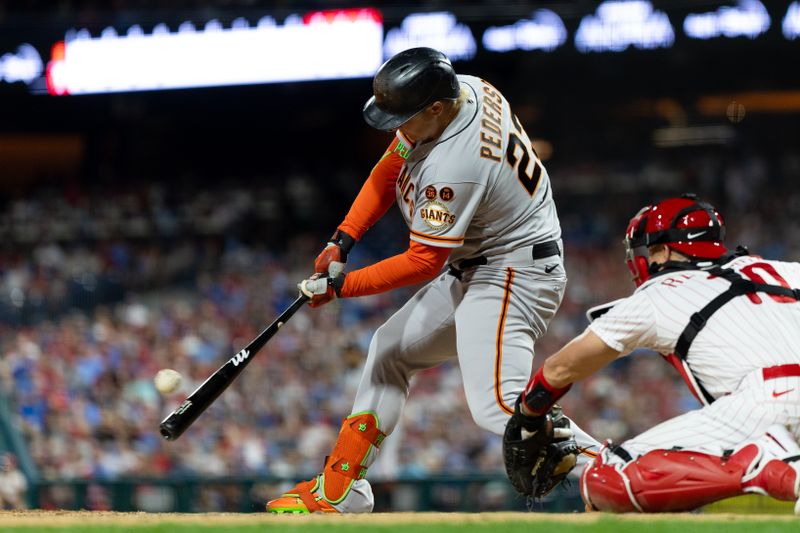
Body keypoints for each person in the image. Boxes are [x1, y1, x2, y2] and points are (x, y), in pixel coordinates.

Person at [266, 47, 599, 514]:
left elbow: (423, 261)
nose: (395, 127)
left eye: (404, 116)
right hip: (486, 263)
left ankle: (617, 472)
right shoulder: (466, 87)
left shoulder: (454, 166)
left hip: (512, 271)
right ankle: (342, 492)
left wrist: (342, 287)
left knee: (498, 407)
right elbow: (390, 166)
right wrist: (343, 239)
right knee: (390, 349)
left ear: (436, 108)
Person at [507, 194, 800, 514]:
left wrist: (529, 412)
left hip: (767, 402)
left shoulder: (663, 291)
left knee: (602, 479)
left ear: (665, 248)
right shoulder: (786, 269)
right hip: (769, 403)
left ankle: (766, 466)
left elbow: (561, 367)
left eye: (650, 249)